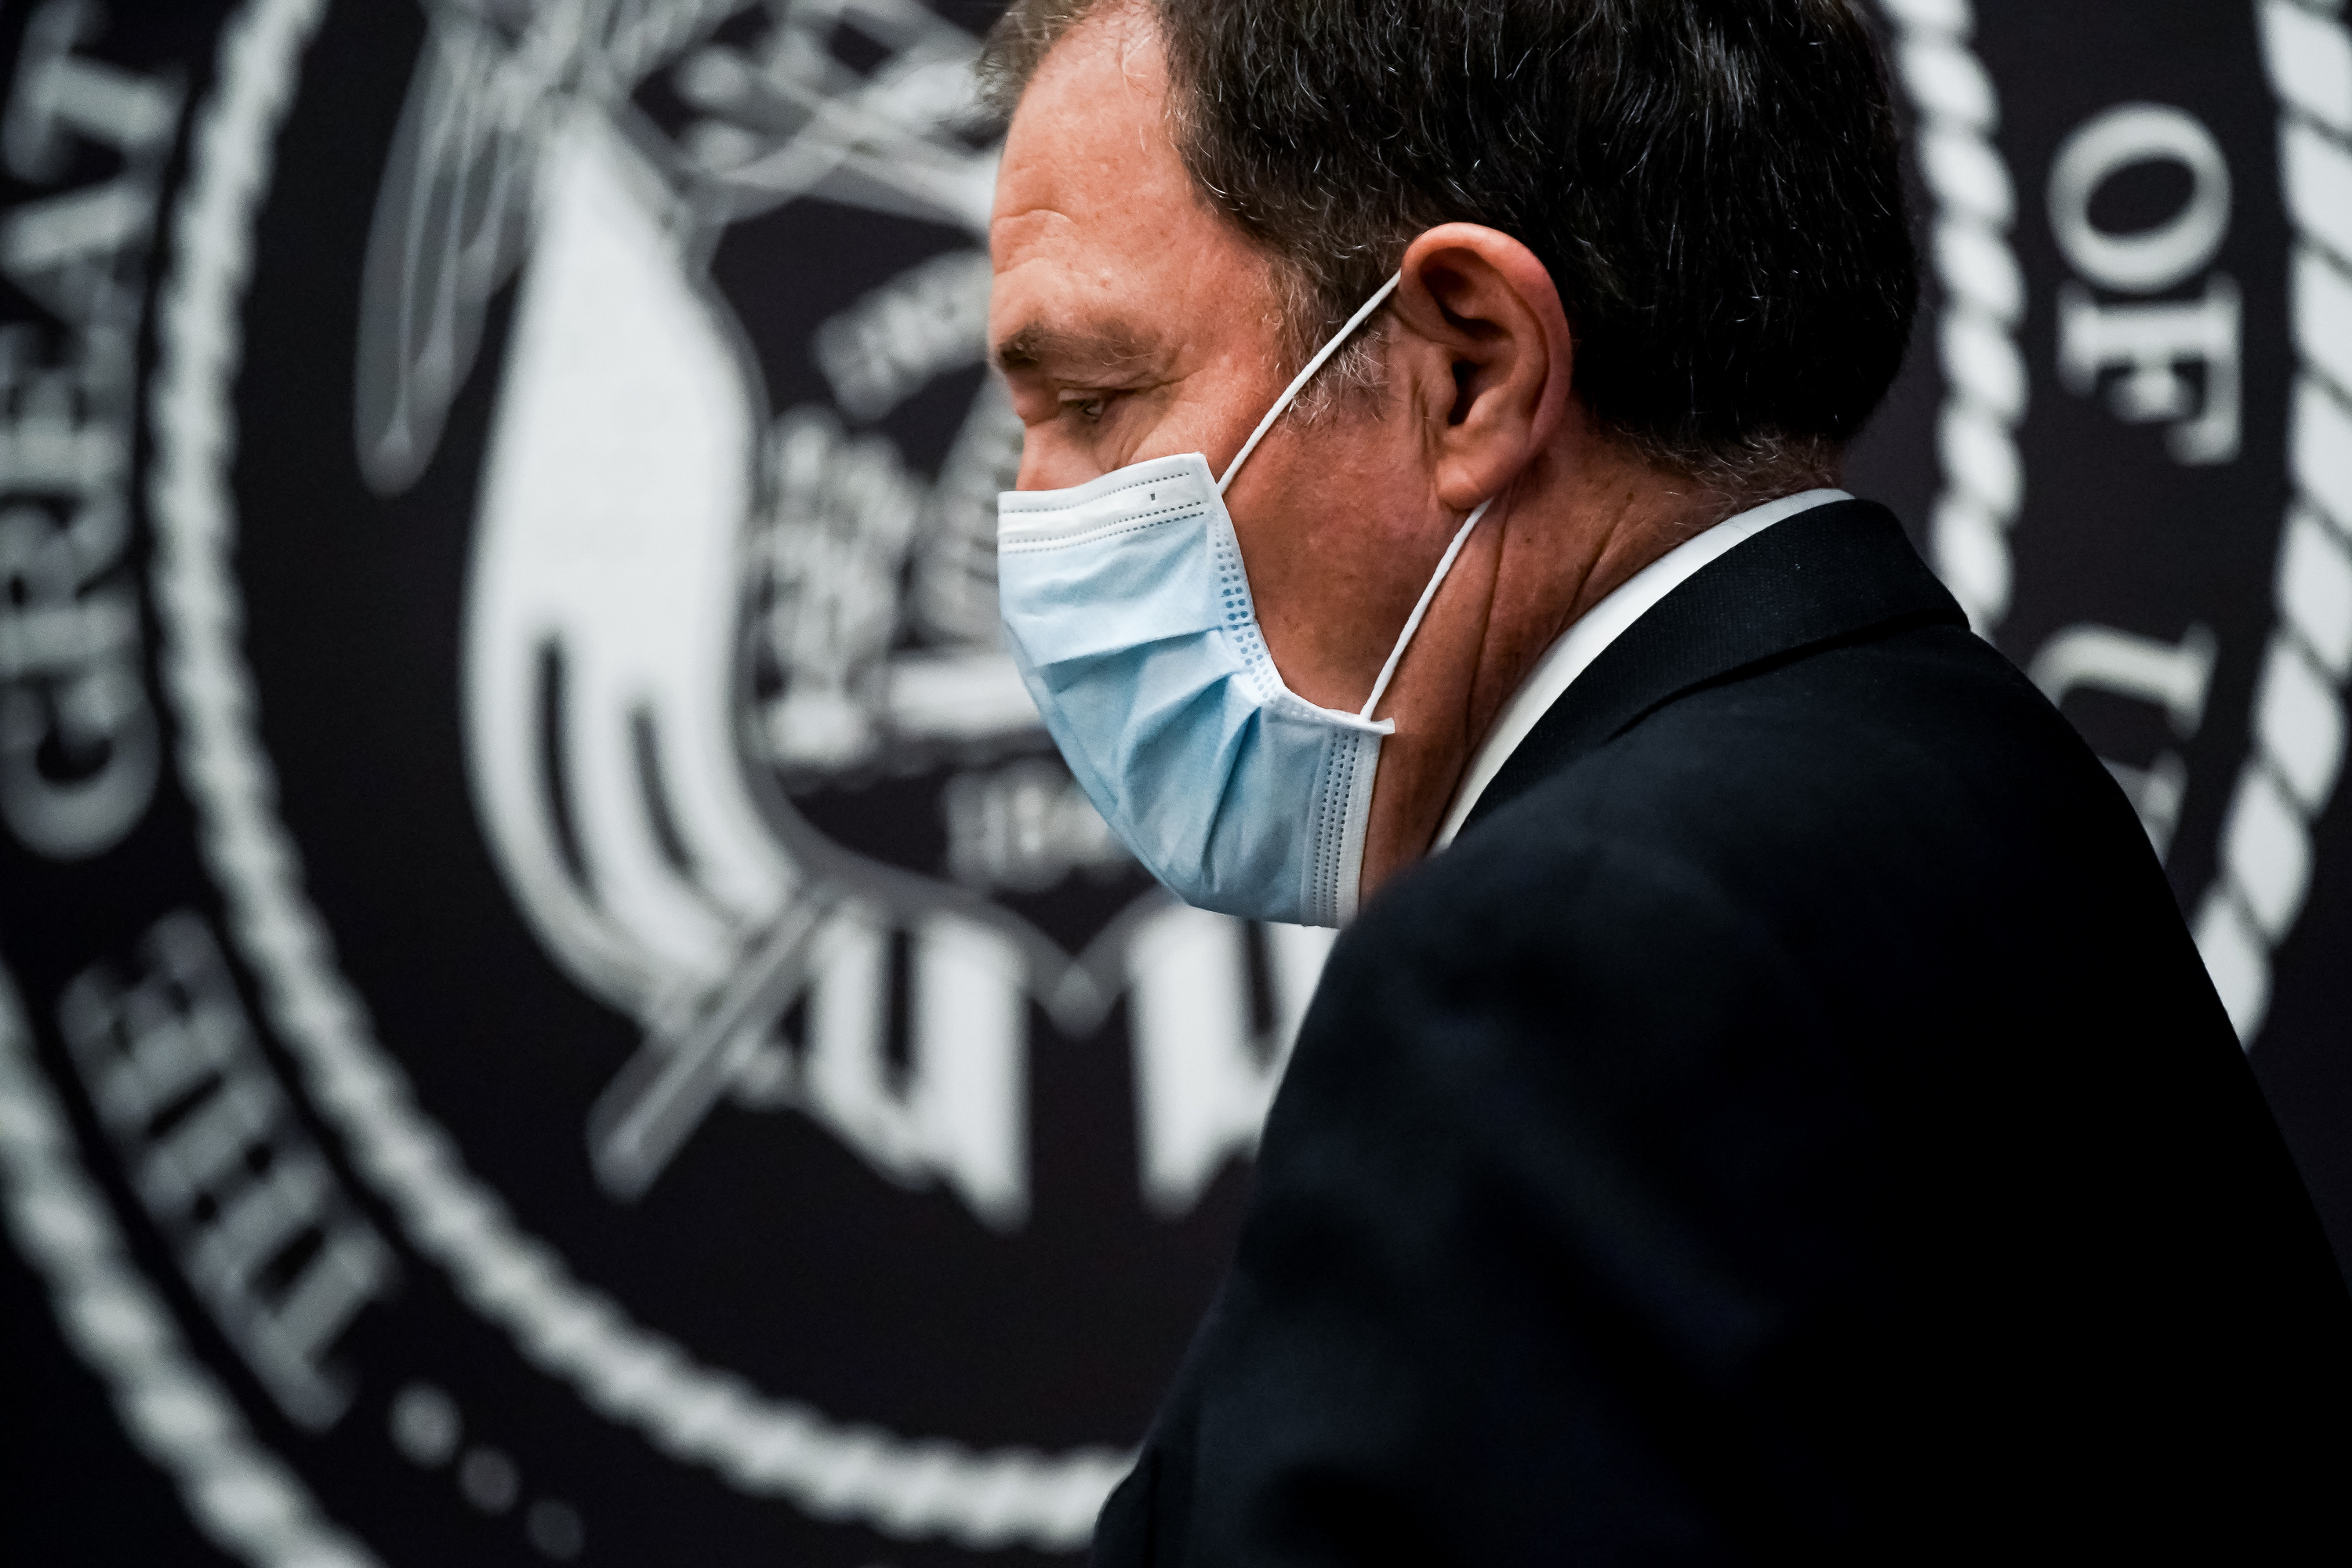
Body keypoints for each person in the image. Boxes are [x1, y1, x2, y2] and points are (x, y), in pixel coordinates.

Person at [979, 0, 2352, 1559]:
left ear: (1470, 371)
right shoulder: (1949, 764)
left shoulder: (1564, 962)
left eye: (1094, 401)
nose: (1029, 519)